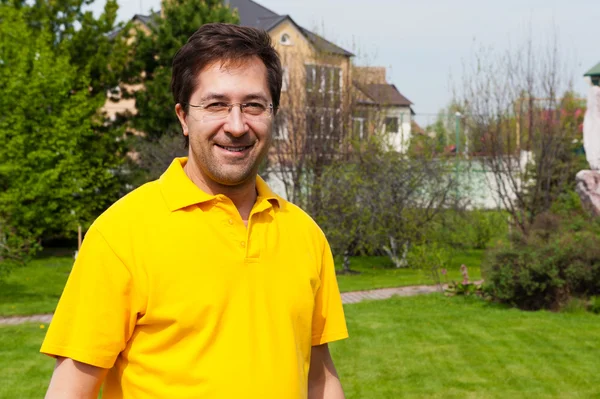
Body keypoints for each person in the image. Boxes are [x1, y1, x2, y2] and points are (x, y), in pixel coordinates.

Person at [41, 23, 348, 398]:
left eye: (253, 105)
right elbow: (71, 389)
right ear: (184, 117)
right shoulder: (120, 234)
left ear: (273, 114)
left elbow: (320, 377)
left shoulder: (306, 235)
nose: (236, 126)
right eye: (216, 104)